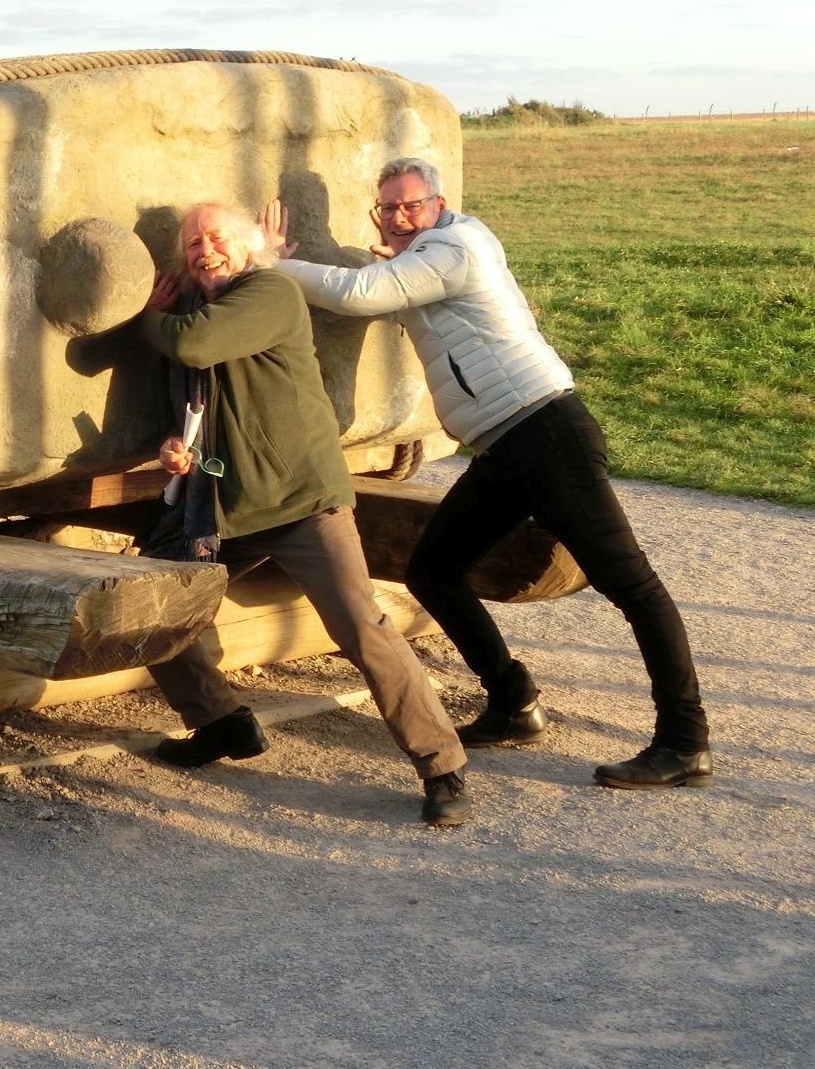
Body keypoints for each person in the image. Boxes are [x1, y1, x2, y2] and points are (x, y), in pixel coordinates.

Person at [266, 157, 712, 789]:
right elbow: (390, 286)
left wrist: (265, 262)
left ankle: (685, 741)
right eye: (387, 208)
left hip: (544, 431)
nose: (398, 217)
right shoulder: (431, 251)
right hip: (505, 444)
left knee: (631, 585)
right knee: (434, 568)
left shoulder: (457, 246)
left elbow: (362, 296)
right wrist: (389, 260)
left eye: (411, 206)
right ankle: (512, 699)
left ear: (439, 204)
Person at [138, 201, 470, 827]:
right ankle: (220, 724)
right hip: (227, 503)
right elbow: (199, 406)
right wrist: (178, 451)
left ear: (248, 249)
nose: (204, 249)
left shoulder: (269, 291)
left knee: (362, 629)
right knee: (153, 603)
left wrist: (147, 318)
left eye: (217, 238)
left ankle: (442, 765)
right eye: (191, 243)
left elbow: (196, 345)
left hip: (300, 500)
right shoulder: (194, 311)